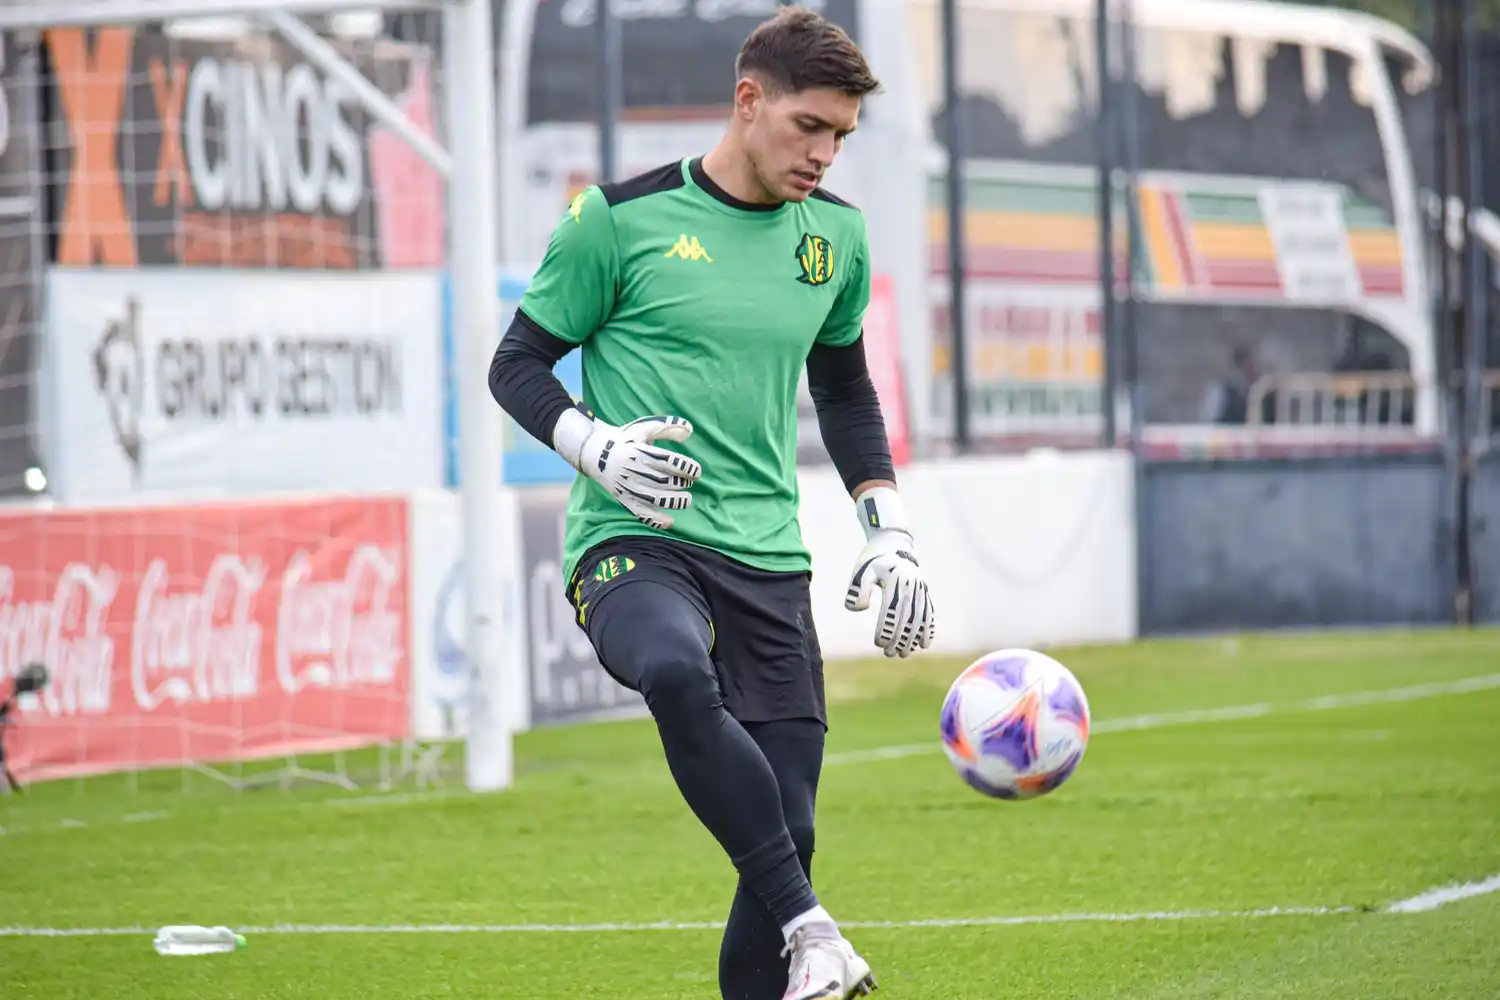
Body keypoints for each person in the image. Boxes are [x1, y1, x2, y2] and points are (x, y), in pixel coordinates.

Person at [488, 8, 936, 999]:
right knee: (675, 673)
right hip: (635, 539)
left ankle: (801, 935)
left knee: (789, 829)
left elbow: (846, 393)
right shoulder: (616, 220)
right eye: (808, 127)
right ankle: (815, 927)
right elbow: (515, 364)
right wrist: (595, 445)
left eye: (840, 136)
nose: (823, 154)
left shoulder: (836, 239)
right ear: (748, 101)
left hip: (767, 554)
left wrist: (890, 531)